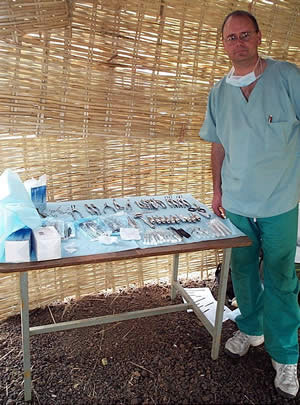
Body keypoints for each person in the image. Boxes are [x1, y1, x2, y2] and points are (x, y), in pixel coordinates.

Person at [199, 10, 300, 399]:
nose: (238, 42)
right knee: (242, 270)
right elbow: (218, 144)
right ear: (223, 44)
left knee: (281, 276)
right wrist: (217, 191)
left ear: (258, 37)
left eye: (245, 35)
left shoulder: (287, 77)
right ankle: (252, 329)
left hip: (279, 201)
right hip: (237, 201)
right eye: (231, 37)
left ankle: (286, 354)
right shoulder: (219, 92)